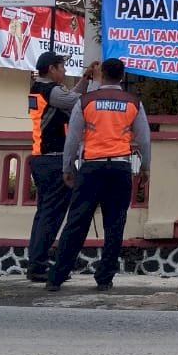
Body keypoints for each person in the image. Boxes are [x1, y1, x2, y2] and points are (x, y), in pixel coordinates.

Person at [46, 58, 151, 293]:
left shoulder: (86, 101)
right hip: (120, 169)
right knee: (115, 224)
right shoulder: (133, 102)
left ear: (101, 74)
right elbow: (144, 139)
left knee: (76, 223)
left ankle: (57, 277)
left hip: (91, 168)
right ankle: (104, 278)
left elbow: (72, 138)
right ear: (122, 76)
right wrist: (146, 167)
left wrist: (67, 167)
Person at [25, 52, 98, 282]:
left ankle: (37, 262)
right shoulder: (51, 91)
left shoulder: (41, 89)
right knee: (52, 216)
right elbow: (78, 101)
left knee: (44, 214)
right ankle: (39, 266)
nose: (65, 70)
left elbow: (72, 96)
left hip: (41, 159)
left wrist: (85, 79)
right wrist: (99, 86)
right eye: (62, 66)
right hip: (54, 160)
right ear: (52, 69)